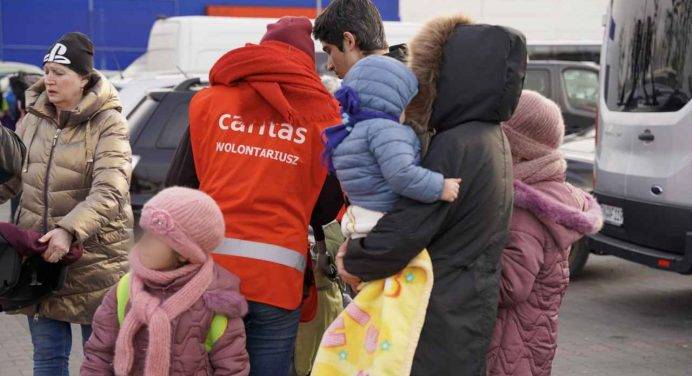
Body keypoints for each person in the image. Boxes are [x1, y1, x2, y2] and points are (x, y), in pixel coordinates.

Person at [337, 15, 528, 375]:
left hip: (438, 311)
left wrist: (356, 259)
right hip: (467, 305)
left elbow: (410, 226)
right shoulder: (491, 137)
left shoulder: (456, 144)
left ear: (451, 77)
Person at [166, 17, 342, 376]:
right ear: (306, 64)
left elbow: (178, 187)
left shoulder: (209, 103)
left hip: (209, 277)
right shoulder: (321, 117)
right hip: (278, 284)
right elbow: (326, 207)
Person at [0, 32, 132, 375]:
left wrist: (68, 230)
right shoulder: (32, 119)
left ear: (84, 78)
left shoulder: (109, 123)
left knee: (100, 362)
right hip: (41, 260)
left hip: (96, 263)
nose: (50, 79)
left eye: (60, 73)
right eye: (47, 70)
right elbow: (14, 179)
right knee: (47, 358)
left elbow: (110, 190)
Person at [485, 91, 603, 376]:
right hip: (531, 339)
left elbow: (510, 286)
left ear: (518, 147)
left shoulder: (526, 210)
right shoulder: (553, 193)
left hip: (506, 346)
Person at [82, 187, 250, 376]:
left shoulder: (215, 301)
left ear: (184, 254)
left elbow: (233, 367)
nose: (144, 242)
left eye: (156, 238)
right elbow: (98, 355)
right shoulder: (124, 289)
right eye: (146, 233)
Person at [323, 55, 460, 244]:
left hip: (359, 219)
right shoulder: (385, 131)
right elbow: (401, 174)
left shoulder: (346, 130)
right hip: (386, 222)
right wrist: (440, 187)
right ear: (392, 99)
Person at [313, 0, 407, 78]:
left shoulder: (369, 92)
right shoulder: (409, 78)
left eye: (329, 51)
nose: (329, 66)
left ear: (349, 41)